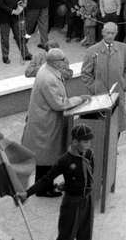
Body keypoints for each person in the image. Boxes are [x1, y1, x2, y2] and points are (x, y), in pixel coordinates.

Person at [24, 122, 100, 240]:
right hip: (72, 202)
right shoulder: (65, 160)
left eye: (89, 141)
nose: (88, 144)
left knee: (85, 235)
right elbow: (46, 179)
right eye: (85, 141)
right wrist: (27, 193)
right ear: (75, 142)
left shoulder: (89, 154)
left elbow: (87, 175)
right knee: (66, 236)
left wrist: (68, 184)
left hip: (86, 199)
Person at [23, 47, 86, 195]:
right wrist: (79, 99)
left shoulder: (48, 70)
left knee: (47, 157)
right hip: (46, 124)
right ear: (55, 63)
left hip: (47, 121)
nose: (65, 62)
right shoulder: (48, 77)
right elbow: (59, 103)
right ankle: (43, 189)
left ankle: (45, 186)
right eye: (63, 60)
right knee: (46, 158)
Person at [80, 21, 126, 136]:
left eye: (112, 33)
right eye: (107, 33)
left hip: (117, 93)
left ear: (116, 33)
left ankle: (113, 150)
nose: (109, 36)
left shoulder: (123, 48)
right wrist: (95, 88)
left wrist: (124, 83)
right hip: (99, 95)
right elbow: (85, 73)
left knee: (116, 124)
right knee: (100, 125)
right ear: (103, 32)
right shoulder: (92, 50)